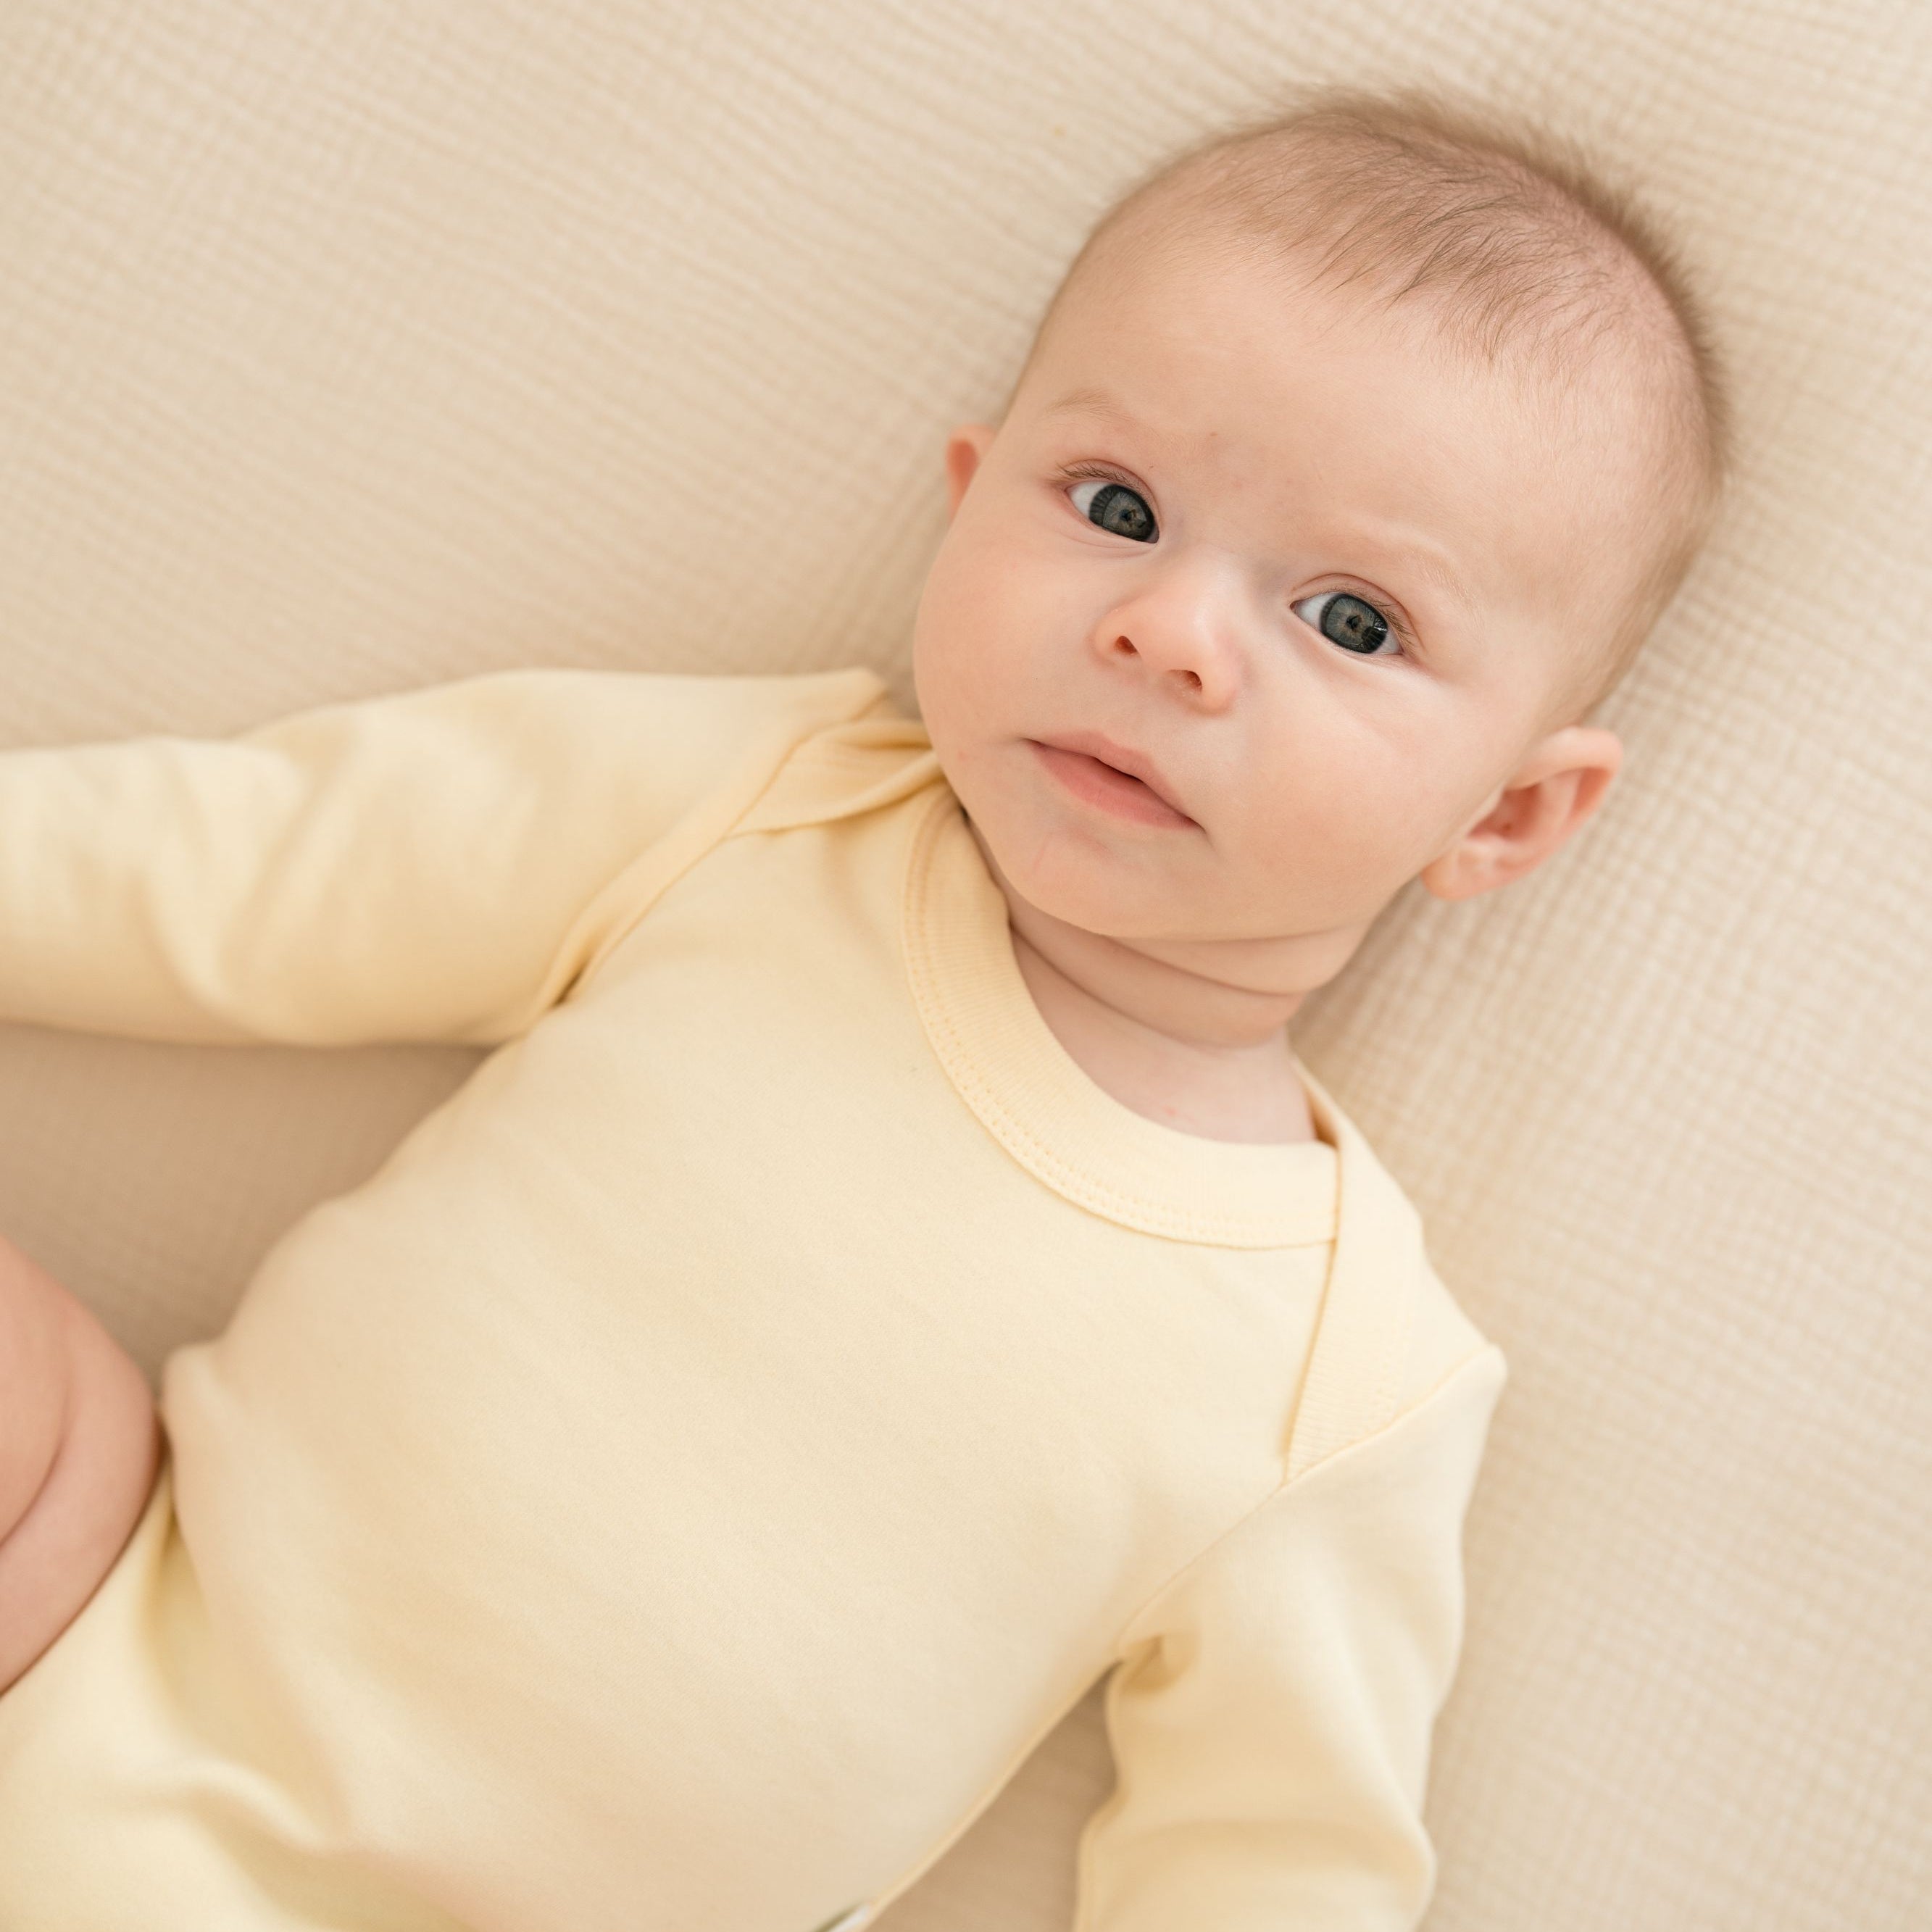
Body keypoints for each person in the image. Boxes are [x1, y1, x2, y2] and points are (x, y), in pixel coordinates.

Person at [0, 87, 1725, 1932]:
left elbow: (1272, 1854)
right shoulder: (763, 812)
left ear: (1506, 815)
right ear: (968, 502)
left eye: (1352, 621)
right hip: (105, 1616)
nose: (1169, 631)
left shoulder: (1342, 1371)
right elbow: (264, 865)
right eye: (1118, 509)